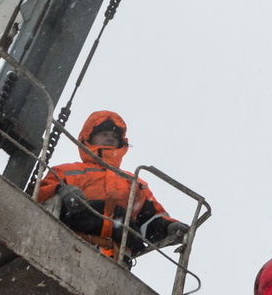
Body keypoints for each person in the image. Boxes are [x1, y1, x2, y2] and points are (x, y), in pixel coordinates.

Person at [36, 110, 187, 257]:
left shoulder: (134, 184)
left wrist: (169, 228)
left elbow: (150, 219)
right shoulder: (67, 171)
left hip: (116, 261)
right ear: (89, 139)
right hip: (66, 247)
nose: (110, 138)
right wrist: (63, 191)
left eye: (114, 136)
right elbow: (38, 195)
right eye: (103, 134)